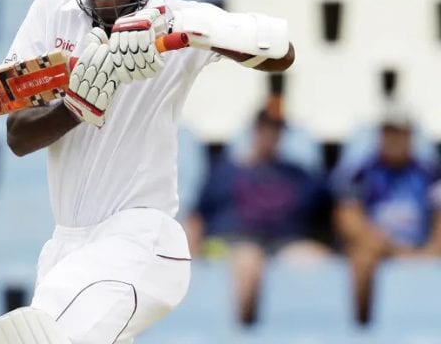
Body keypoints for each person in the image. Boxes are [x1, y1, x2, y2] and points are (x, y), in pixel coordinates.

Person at [0, 0, 295, 343]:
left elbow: (282, 52)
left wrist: (188, 28)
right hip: (65, 252)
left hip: (142, 241)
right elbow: (18, 135)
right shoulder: (51, 15)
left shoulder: (178, 21)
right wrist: (76, 106)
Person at [184, 108, 331, 326]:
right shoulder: (226, 171)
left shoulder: (298, 175)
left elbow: (328, 210)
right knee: (249, 258)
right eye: (265, 129)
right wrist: (189, 261)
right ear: (254, 131)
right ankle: (242, 334)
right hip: (230, 243)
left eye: (276, 131)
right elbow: (197, 217)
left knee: (316, 260)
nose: (270, 136)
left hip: (281, 244)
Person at [331, 104, 441, 325]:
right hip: (380, 250)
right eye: (388, 133)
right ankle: (362, 328)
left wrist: (431, 250)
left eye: (400, 133)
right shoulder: (362, 172)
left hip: (420, 247)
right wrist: (394, 250)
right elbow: (348, 218)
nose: (394, 139)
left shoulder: (428, 173)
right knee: (362, 257)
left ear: (410, 136)